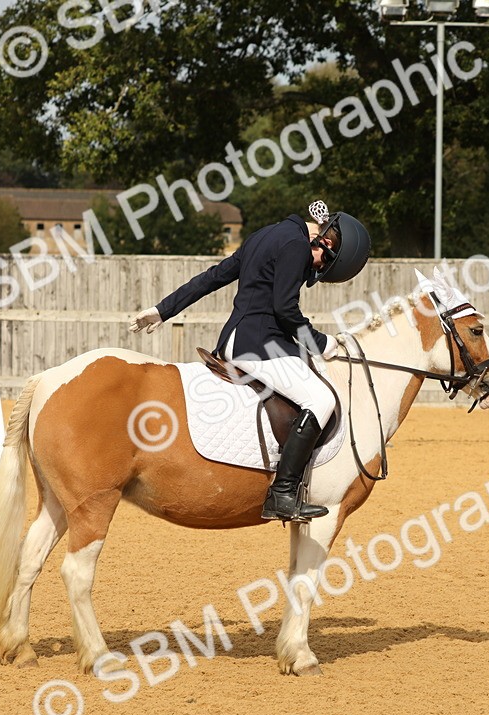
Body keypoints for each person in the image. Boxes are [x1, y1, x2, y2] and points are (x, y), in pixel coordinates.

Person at [130, 201, 370, 522]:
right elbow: (285, 309)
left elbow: (214, 277)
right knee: (322, 398)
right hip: (258, 346)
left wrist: (163, 309)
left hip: (235, 339)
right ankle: (282, 494)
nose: (315, 268)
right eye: (321, 263)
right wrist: (320, 342)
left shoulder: (264, 234)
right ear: (325, 242)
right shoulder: (297, 247)